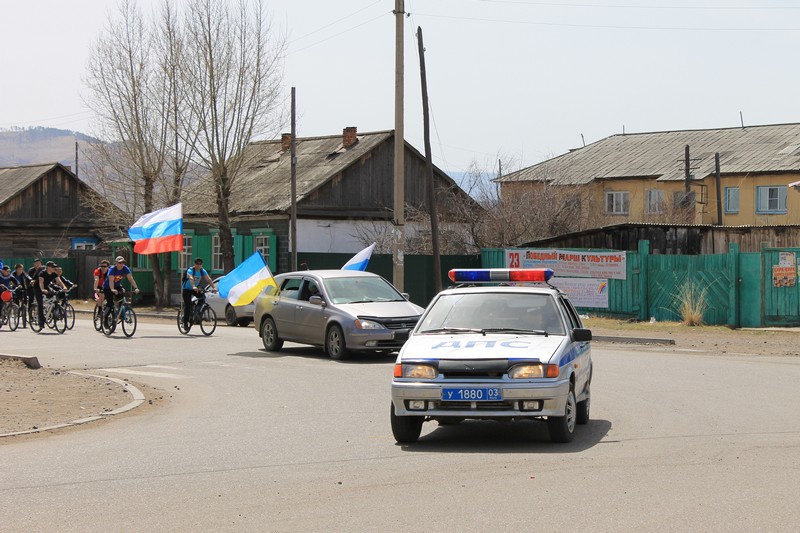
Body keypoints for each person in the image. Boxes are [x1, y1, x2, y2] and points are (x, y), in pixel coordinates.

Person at [182, 258, 215, 330]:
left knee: (202, 297)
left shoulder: (202, 271)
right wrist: (193, 286)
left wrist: (214, 287)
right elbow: (191, 278)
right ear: (194, 264)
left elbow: (208, 279)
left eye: (200, 264)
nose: (199, 265)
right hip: (187, 289)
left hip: (195, 289)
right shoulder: (191, 270)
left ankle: (197, 310)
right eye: (197, 264)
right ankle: (185, 323)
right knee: (187, 305)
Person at [34, 261, 67, 327]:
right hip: (38, 288)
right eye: (53, 267)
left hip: (46, 287)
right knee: (40, 303)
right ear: (48, 267)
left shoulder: (54, 274)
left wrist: (64, 287)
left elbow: (59, 281)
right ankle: (41, 321)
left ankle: (50, 313)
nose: (54, 268)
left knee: (54, 295)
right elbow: (41, 283)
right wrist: (43, 290)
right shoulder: (42, 273)